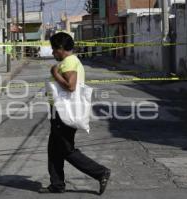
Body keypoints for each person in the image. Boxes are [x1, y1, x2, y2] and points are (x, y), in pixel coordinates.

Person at [38, 32, 111, 195]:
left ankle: (100, 172)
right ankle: (57, 184)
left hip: (64, 112)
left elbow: (70, 86)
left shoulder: (69, 62)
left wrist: (55, 74)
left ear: (62, 49)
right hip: (61, 110)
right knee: (54, 149)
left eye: (54, 49)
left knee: (66, 149)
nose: (52, 53)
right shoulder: (70, 61)